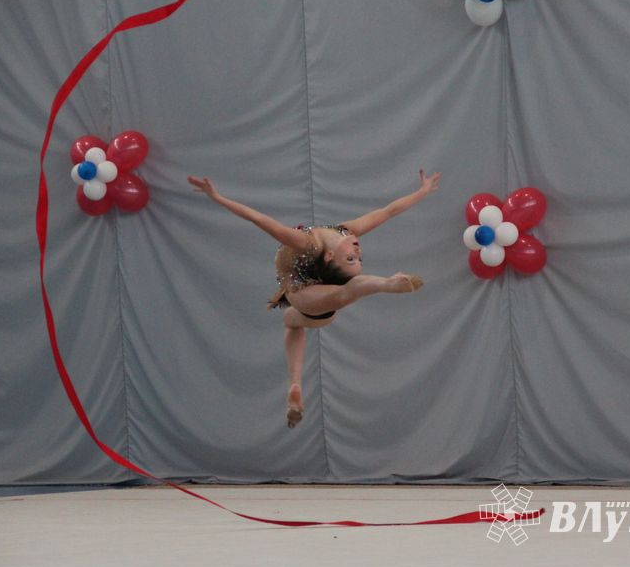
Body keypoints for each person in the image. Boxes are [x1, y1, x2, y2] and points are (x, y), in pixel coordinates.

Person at [187, 169, 442, 428]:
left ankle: (296, 383)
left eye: (351, 258)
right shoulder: (343, 232)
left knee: (314, 309)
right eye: (357, 258)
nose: (358, 250)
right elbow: (387, 212)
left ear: (330, 257)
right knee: (302, 315)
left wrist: (218, 197)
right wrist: (421, 192)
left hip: (307, 297)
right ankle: (385, 284)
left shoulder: (309, 243)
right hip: (310, 298)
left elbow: (259, 218)